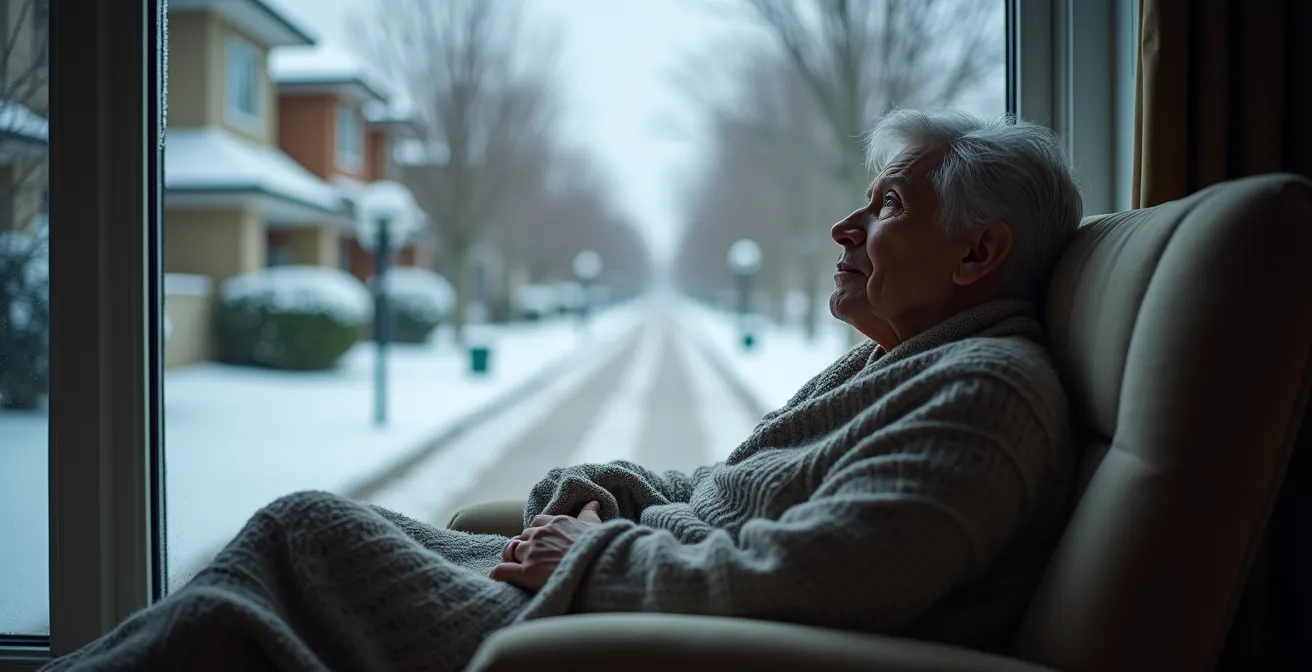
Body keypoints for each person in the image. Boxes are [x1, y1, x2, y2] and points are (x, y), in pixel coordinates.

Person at [43, 109, 1083, 671]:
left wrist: (597, 554)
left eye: (887, 205)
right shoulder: (902, 362)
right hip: (630, 579)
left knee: (301, 539)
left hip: (650, 633)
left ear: (976, 253)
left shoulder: (989, 394)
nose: (843, 231)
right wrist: (617, 487)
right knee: (295, 541)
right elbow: (737, 488)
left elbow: (826, 576)